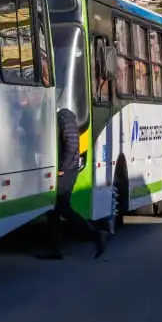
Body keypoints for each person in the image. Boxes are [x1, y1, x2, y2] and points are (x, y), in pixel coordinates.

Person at [39, 105, 108, 260]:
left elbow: (71, 144)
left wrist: (62, 168)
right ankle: (55, 250)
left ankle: (96, 235)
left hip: (67, 170)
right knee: (54, 209)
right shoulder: (58, 118)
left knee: (61, 206)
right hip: (65, 168)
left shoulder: (64, 117)